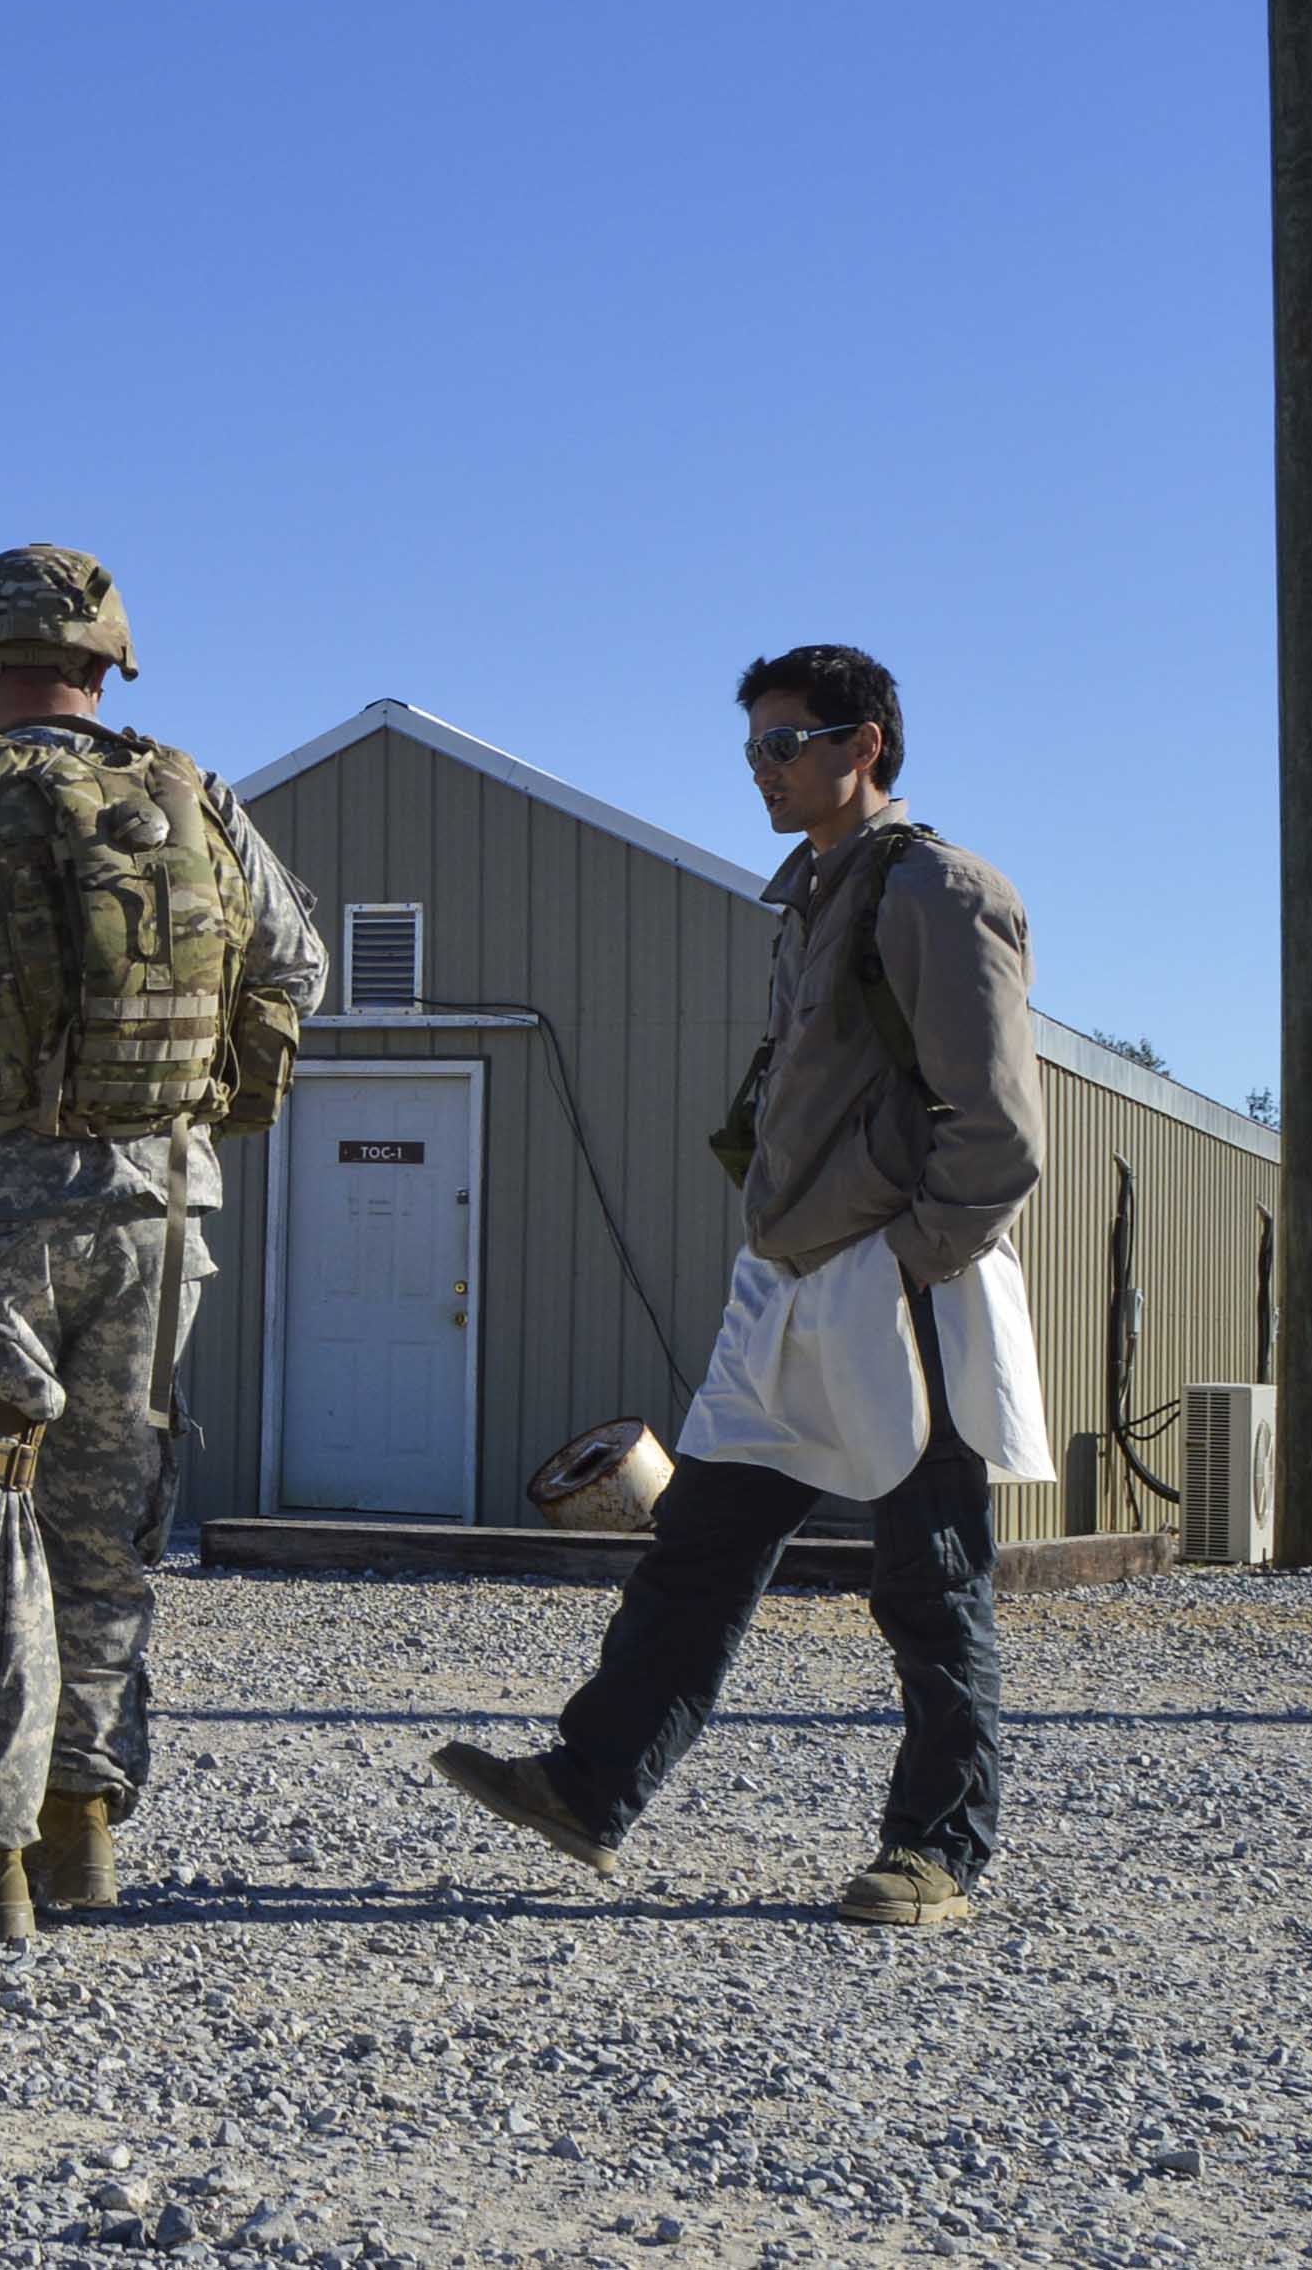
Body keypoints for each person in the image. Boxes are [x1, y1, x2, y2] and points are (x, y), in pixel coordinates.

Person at [433, 642, 1052, 1928]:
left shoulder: (938, 891)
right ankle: (590, 1785)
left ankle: (938, 1847)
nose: (763, 769)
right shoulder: (814, 894)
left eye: (786, 743)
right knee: (699, 1547)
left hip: (895, 1285)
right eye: (754, 747)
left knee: (928, 1577)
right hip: (788, 1285)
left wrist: (907, 1262)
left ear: (862, 744)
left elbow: (999, 1134)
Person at [0, 546, 326, 1945]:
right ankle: (78, 1820)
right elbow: (295, 964)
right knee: (106, 1519)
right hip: (157, 1209)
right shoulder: (193, 797)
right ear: (110, 665)